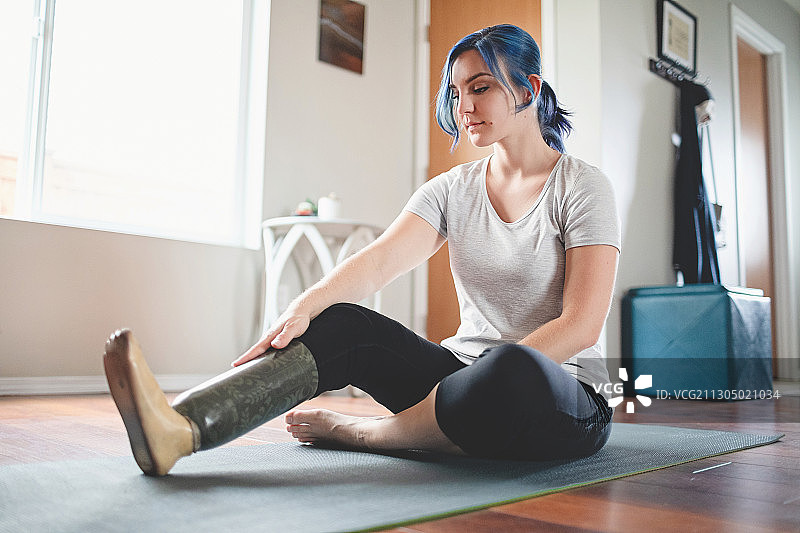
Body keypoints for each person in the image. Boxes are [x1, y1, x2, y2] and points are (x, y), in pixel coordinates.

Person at [104, 24, 620, 477]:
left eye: (480, 88)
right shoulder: (450, 189)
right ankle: (182, 426)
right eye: (456, 92)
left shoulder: (581, 187)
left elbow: (581, 325)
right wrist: (304, 308)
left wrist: (488, 376)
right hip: (458, 383)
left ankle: (367, 434)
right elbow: (378, 262)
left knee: (509, 369)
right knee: (343, 321)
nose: (464, 108)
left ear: (528, 89)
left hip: (557, 395)